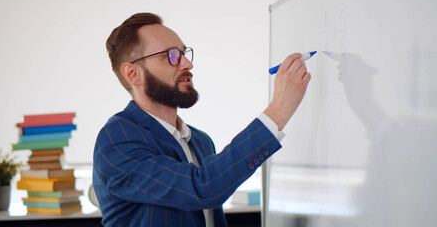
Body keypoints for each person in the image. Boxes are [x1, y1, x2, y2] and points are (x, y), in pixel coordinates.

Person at [92, 12, 311, 227]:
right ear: (133, 74)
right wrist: (280, 109)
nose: (187, 63)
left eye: (183, 52)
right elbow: (203, 187)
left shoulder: (200, 141)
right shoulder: (116, 140)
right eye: (170, 55)